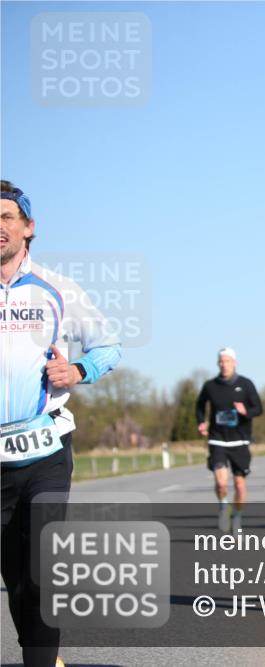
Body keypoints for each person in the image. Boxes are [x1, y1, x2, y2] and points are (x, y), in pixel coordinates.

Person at [1, 179, 122, 667]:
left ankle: (40, 659)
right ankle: (40, 651)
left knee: (42, 571)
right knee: (15, 575)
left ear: (29, 228)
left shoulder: (58, 289)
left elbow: (108, 345)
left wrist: (77, 369)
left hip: (46, 448)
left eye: (6, 217)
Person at [196, 347, 263, 533]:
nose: (224, 365)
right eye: (221, 361)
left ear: (235, 363)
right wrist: (201, 422)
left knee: (240, 484)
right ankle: (224, 507)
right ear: (218, 364)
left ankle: (238, 517)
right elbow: (200, 406)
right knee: (221, 482)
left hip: (240, 440)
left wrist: (245, 412)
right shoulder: (210, 386)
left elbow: (258, 408)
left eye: (227, 361)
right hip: (218, 439)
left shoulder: (246, 384)